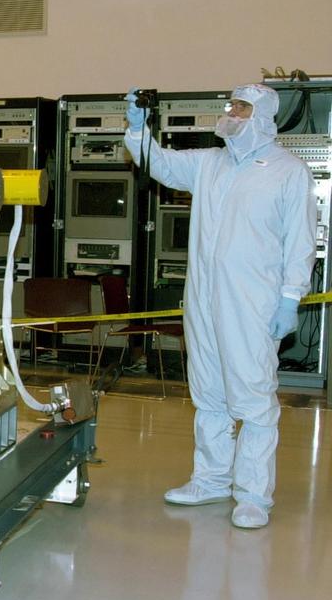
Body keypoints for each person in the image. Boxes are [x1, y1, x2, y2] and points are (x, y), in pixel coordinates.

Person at [125, 83, 316, 529]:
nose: (230, 112)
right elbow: (159, 163)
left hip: (253, 302)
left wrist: (290, 298)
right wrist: (138, 129)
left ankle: (252, 496)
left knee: (253, 399)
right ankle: (210, 480)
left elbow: (301, 242)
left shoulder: (288, 172)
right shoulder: (210, 163)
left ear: (262, 116)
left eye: (240, 107)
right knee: (208, 392)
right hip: (204, 299)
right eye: (229, 105)